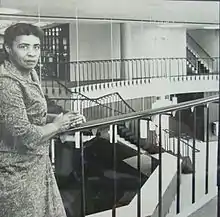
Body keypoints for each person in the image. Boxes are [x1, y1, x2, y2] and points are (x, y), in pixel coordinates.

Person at [0, 23, 85, 217]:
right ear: (8, 48)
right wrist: (57, 126)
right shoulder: (6, 83)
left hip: (37, 165)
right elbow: (26, 134)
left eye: (36, 47)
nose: (32, 53)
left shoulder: (30, 73)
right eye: (23, 47)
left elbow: (33, 115)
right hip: (16, 173)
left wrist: (63, 119)